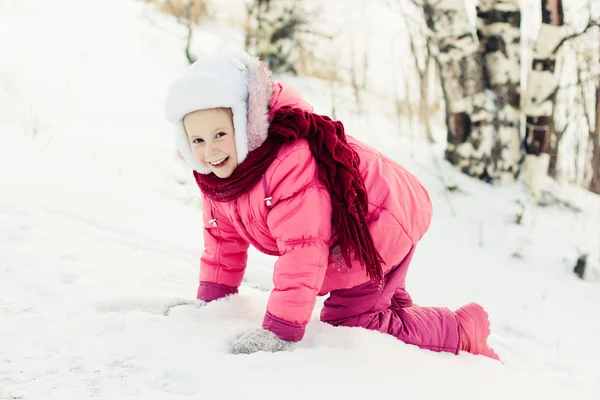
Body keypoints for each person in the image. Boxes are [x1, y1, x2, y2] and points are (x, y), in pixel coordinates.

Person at [163, 50, 500, 360]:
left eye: (221, 134)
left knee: (352, 322)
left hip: (375, 224)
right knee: (379, 302)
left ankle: (461, 331)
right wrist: (212, 301)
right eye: (198, 140)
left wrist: (279, 330)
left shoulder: (286, 164)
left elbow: (302, 251)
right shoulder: (217, 177)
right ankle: (411, 318)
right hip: (361, 225)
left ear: (246, 124)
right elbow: (223, 242)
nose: (211, 151)